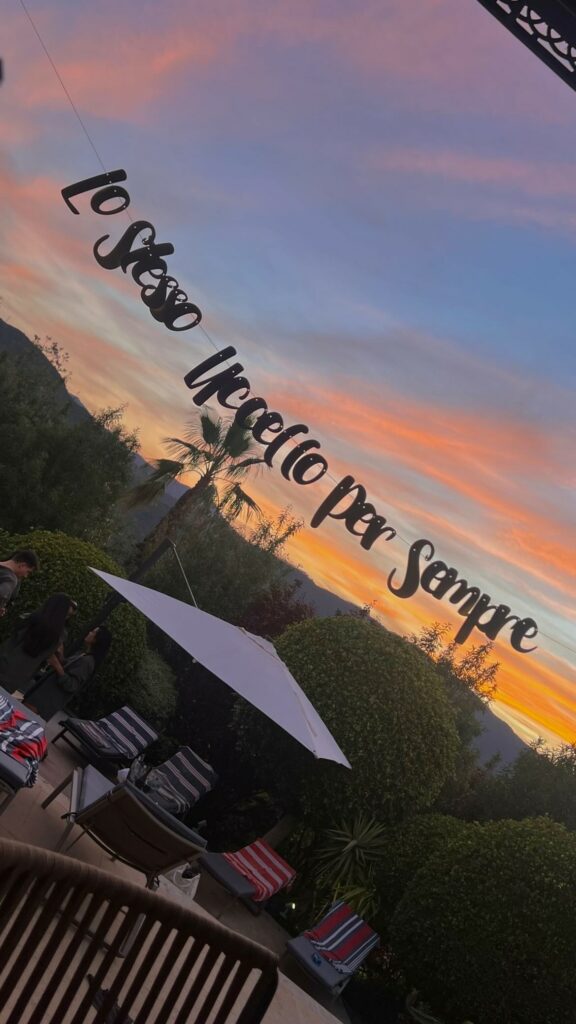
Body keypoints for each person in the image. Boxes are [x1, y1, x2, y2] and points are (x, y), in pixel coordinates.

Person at [23, 626, 112, 721]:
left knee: (22, 718)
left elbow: (72, 685)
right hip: (42, 695)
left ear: (96, 640)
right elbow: (68, 669)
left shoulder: (87, 662)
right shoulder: (84, 654)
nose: (89, 632)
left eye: (93, 632)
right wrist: (61, 656)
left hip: (45, 701)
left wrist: (56, 665)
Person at [0, 593, 76, 694]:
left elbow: (15, 637)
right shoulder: (59, 636)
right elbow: (47, 656)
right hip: (20, 675)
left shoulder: (33, 619)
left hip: (5, 661)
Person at [0, 550, 39, 617]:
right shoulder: (10, 579)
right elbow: (2, 594)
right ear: (22, 565)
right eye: (28, 572)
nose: (25, 576)